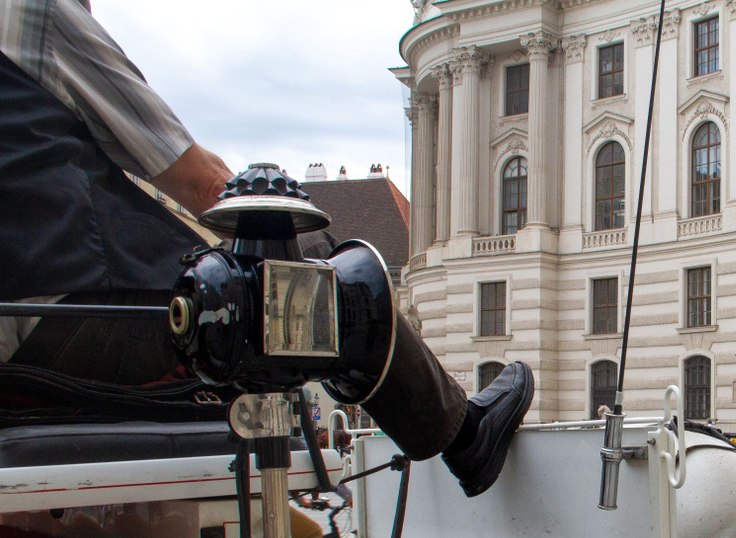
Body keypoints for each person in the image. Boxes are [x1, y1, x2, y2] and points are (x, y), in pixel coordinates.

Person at [0, 0, 532, 498]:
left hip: (19, 340)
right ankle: (465, 437)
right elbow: (198, 180)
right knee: (349, 295)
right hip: (66, 311)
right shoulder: (34, 13)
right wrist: (311, 259)